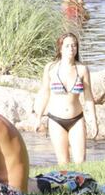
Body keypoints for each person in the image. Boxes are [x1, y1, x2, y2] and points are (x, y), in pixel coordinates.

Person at [32, 34, 98, 165]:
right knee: (64, 162)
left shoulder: (82, 69)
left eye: (74, 45)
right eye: (67, 46)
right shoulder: (50, 68)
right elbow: (45, 93)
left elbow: (88, 97)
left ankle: (82, 185)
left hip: (76, 119)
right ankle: (65, 185)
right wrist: (38, 117)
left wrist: (94, 121)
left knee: (80, 161)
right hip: (56, 120)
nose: (71, 49)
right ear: (60, 48)